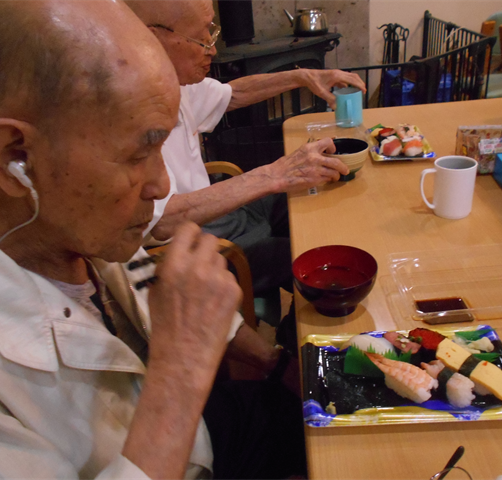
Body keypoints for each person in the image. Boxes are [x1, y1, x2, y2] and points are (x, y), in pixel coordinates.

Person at [0, 1, 306, 479]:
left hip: (194, 434)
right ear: (15, 154)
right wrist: (181, 372)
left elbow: (147, 281)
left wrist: (273, 364)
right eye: (138, 152)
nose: (163, 185)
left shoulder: (69, 226)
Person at [124, 0, 366, 296]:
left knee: (311, 201)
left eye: (212, 33)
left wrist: (303, 76)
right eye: (202, 38)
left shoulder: (175, 81)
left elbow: (233, 94)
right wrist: (274, 174)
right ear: (153, 37)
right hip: (193, 249)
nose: (212, 49)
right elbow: (161, 222)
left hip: (219, 215)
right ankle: (295, 337)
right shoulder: (127, 110)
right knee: (324, 256)